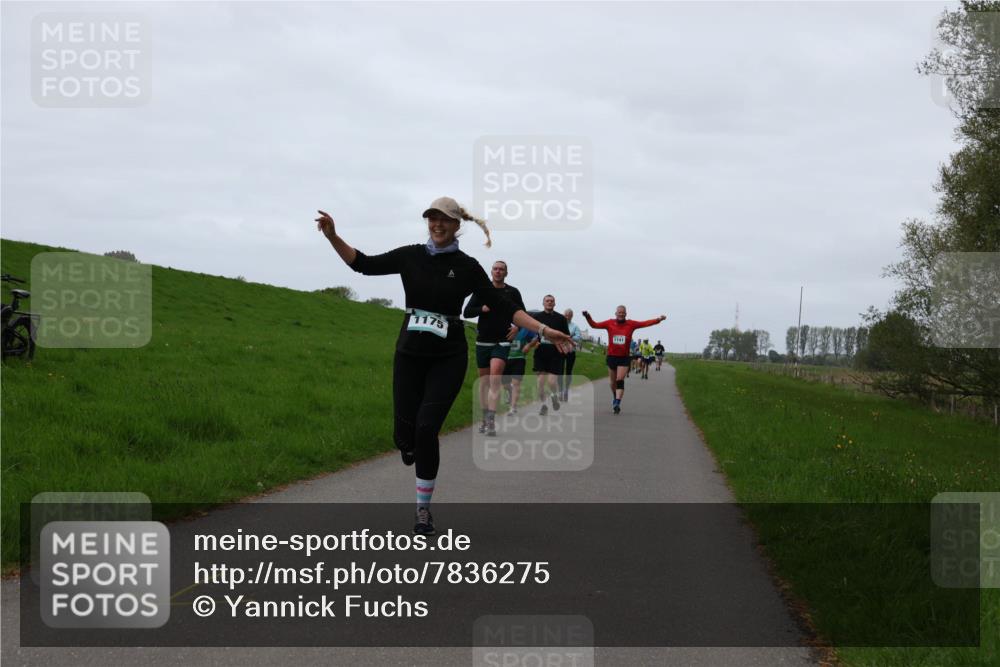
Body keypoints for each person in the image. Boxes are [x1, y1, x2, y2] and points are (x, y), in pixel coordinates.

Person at [316, 198, 573, 535]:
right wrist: (333, 236)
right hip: (409, 354)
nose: (437, 225)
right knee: (404, 436)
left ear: (456, 225)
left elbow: (504, 306)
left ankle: (423, 511)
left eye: (444, 220)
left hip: (448, 357)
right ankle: (408, 446)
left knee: (426, 429)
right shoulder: (410, 255)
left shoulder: (467, 266)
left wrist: (544, 328)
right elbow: (362, 264)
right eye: (432, 219)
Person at [463, 260, 525, 437]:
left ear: (506, 273)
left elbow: (522, 314)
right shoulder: (482, 290)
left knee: (495, 378)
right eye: (495, 269)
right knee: (484, 383)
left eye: (502, 269)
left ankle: (491, 420)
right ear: (491, 272)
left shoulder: (512, 292)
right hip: (483, 340)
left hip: (502, 340)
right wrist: (482, 308)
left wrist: (517, 328)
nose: (498, 272)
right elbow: (467, 312)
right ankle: (484, 417)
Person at [582, 306, 665, 414]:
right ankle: (615, 396)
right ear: (615, 313)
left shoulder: (631, 324)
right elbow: (594, 325)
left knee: (619, 379)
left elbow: (645, 323)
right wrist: (588, 317)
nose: (621, 314)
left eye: (623, 313)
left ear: (626, 314)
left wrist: (658, 319)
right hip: (612, 356)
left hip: (624, 358)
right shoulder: (609, 323)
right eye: (619, 312)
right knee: (612, 383)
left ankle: (617, 402)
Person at [533, 295, 572, 415]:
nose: (549, 303)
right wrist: (534, 342)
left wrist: (567, 347)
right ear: (543, 303)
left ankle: (554, 396)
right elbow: (532, 333)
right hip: (541, 352)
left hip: (555, 353)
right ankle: (544, 405)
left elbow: (566, 336)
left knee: (551, 382)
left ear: (555, 304)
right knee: (540, 383)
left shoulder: (561, 319)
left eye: (552, 301)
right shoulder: (537, 317)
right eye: (547, 301)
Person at [501, 324, 540, 415]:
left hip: (519, 359)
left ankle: (513, 407)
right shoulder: (505, 324)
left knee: (516, 383)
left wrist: (529, 345)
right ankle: (509, 392)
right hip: (505, 359)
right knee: (505, 385)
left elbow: (536, 337)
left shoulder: (526, 329)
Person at [559, 308, 583, 402]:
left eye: (569, 315)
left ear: (571, 316)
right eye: (565, 315)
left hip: (570, 352)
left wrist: (569, 337)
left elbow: (578, 337)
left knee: (568, 371)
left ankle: (566, 391)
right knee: (559, 371)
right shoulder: (559, 325)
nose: (567, 317)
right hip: (560, 350)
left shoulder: (575, 326)